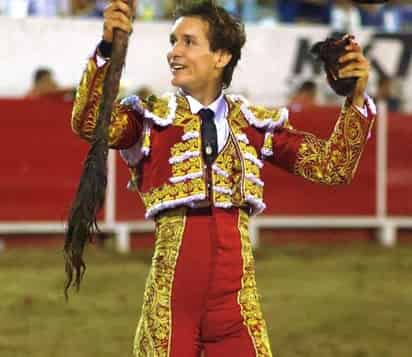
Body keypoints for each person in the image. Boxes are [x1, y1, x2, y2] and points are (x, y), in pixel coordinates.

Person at [70, 0, 375, 355]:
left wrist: (355, 98)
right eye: (173, 41)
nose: (174, 52)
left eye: (188, 41)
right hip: (172, 306)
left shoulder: (252, 122)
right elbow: (88, 123)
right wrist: (108, 49)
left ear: (221, 56)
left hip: (237, 308)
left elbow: (332, 166)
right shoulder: (149, 118)